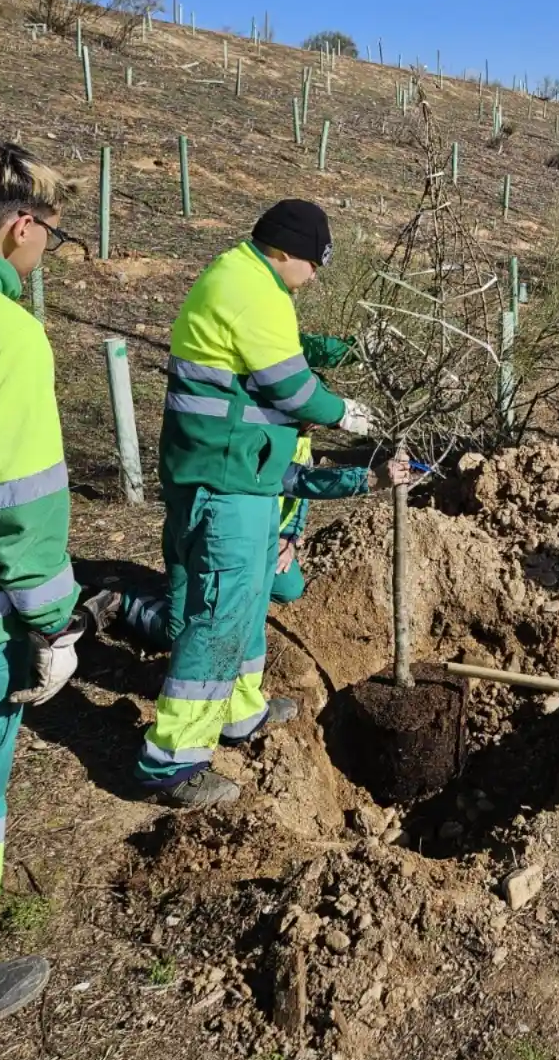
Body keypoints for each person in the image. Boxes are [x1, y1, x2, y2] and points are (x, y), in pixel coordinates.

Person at [134, 200, 387, 809]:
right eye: (315, 264)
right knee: (220, 615)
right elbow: (293, 388)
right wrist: (341, 412)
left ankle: (239, 711)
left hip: (236, 472)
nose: (315, 276)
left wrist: (343, 355)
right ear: (286, 251)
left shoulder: (240, 278)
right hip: (226, 480)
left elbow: (283, 359)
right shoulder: (254, 291)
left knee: (245, 602)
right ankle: (171, 760)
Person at [0, 139, 91, 1027]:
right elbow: (20, 506)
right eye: (52, 232)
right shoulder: (0, 331)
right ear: (21, 227)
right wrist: (53, 626)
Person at [120, 415, 405, 646]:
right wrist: (369, 478)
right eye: (312, 411)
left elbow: (298, 497)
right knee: (178, 634)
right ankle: (124, 600)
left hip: (254, 537)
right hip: (199, 533)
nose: (319, 421)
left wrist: (289, 536)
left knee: (287, 588)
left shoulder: (300, 439)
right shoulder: (258, 436)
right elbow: (300, 481)